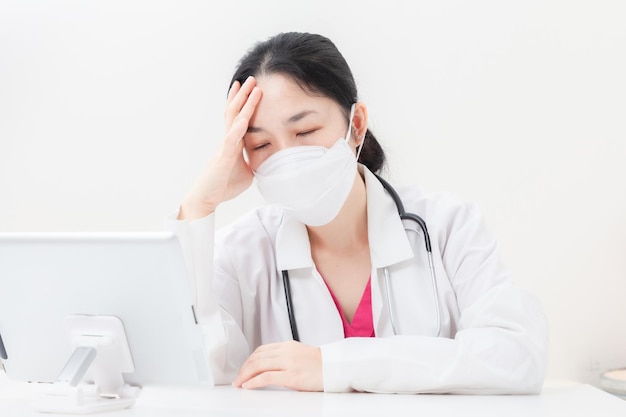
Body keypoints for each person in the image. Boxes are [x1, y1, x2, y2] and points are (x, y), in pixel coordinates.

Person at [168, 32, 548, 394]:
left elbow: (516, 356)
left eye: (305, 132)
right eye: (262, 143)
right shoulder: (242, 252)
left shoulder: (448, 226)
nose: (287, 157)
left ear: (357, 125)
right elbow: (197, 369)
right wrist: (200, 205)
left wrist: (335, 365)